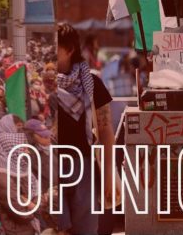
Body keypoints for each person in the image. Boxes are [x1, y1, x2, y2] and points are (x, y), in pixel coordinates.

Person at [47, 23, 116, 234]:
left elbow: (105, 132)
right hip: (51, 166)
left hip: (82, 168)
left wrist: (108, 175)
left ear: (69, 50)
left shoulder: (92, 84)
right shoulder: (44, 85)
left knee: (85, 230)